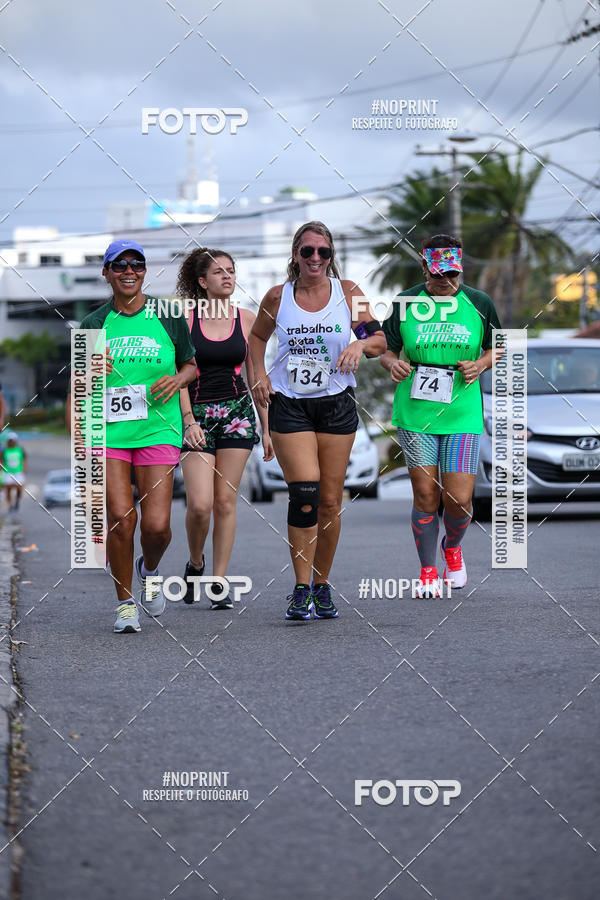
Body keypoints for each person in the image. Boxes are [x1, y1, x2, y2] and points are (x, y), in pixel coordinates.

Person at [250, 221, 385, 621]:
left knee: (330, 501)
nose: (314, 258)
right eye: (307, 251)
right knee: (305, 493)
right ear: (295, 255)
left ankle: (322, 586)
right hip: (289, 403)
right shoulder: (278, 297)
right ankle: (300, 586)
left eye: (322, 252)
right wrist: (257, 374)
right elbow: (256, 339)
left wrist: (360, 343)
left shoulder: (347, 294)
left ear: (331, 256)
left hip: (336, 403)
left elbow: (379, 341)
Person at [68, 239, 197, 633]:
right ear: (106, 273)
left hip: (159, 427)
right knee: (121, 521)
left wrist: (176, 379)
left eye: (136, 264)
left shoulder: (167, 314)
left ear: (143, 272)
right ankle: (125, 603)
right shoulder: (93, 323)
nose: (129, 271)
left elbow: (191, 367)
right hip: (107, 432)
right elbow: (78, 385)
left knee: (156, 526)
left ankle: (150, 569)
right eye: (119, 265)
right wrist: (91, 370)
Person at [380, 234, 501, 597]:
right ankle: (428, 570)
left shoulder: (479, 303)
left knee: (459, 499)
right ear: (424, 268)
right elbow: (385, 348)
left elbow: (502, 345)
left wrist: (480, 363)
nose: (445, 282)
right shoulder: (406, 303)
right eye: (437, 275)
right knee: (425, 494)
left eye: (452, 274)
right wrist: (392, 365)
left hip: (462, 409)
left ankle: (453, 548)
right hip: (416, 410)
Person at [176, 247, 273, 609]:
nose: (227, 276)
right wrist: (188, 421)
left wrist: (266, 427)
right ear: (202, 282)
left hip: (237, 415)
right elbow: (180, 377)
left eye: (231, 271)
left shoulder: (247, 319)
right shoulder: (185, 321)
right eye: (218, 272)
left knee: (225, 502)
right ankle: (195, 562)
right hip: (195, 418)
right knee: (200, 505)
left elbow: (255, 376)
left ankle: (218, 581)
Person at [2, 432, 27, 510]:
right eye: (10, 440)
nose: (11, 442)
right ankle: (10, 504)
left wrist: (24, 469)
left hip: (18, 472)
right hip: (8, 472)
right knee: (8, 488)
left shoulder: (20, 450)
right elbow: (2, 460)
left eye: (13, 440)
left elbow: (24, 459)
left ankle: (17, 500)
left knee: (19, 487)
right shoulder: (4, 450)